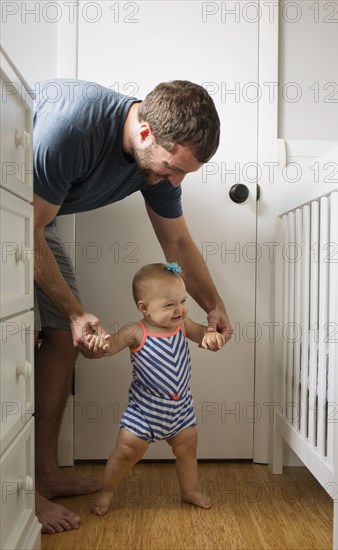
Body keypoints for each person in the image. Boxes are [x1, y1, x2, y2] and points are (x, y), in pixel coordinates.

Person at [33, 78, 232, 533]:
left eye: (185, 173)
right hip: (16, 208)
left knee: (62, 336)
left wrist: (214, 304)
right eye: (171, 168)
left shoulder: (156, 163)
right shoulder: (71, 128)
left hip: (37, 217)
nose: (175, 182)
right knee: (24, 335)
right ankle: (18, 492)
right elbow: (25, 228)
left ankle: (45, 473)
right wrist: (76, 310)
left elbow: (176, 240)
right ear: (145, 133)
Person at [87, 262, 225, 515]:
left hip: (180, 409)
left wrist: (212, 337)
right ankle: (106, 492)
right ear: (144, 308)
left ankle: (189, 491)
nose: (179, 309)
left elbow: (202, 337)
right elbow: (109, 347)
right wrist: (98, 343)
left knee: (188, 448)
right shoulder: (135, 332)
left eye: (182, 301)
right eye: (169, 304)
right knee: (126, 452)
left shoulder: (183, 325)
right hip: (145, 411)